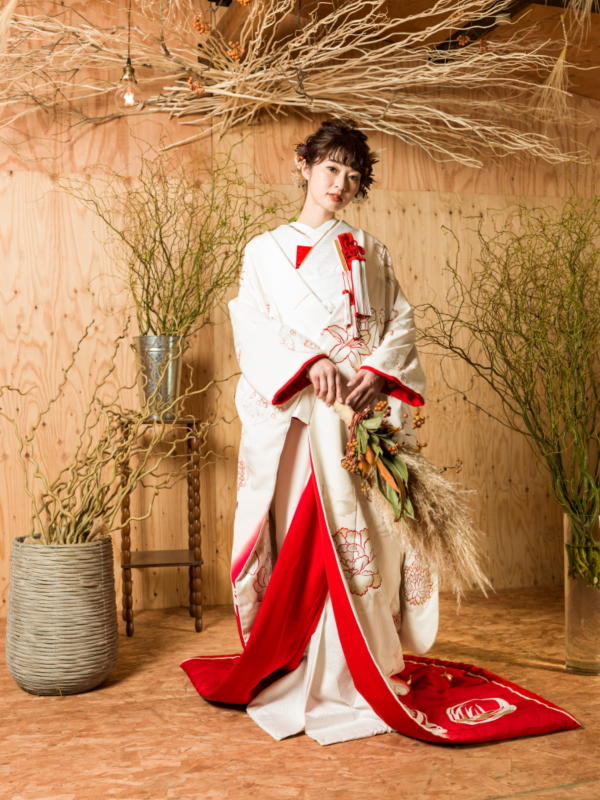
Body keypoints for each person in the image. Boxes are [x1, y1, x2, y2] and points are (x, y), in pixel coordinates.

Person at [181, 119, 580, 746]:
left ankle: (359, 662)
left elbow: (400, 322)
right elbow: (252, 324)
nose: (339, 183)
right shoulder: (264, 251)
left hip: (361, 416)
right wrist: (309, 362)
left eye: (351, 175)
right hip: (303, 419)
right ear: (304, 165)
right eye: (330, 168)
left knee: (370, 538)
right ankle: (306, 663)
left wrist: (376, 374)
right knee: (310, 538)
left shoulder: (371, 249)